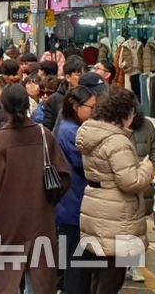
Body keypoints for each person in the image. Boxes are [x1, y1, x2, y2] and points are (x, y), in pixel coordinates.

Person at [0, 84, 71, 293]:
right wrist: (49, 200)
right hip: (41, 217)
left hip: (8, 219)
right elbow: (64, 177)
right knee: (40, 277)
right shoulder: (44, 135)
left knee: (7, 277)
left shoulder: (0, 140)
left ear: (4, 106)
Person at [76, 87, 155, 293]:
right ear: (125, 114)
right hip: (116, 214)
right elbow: (130, 181)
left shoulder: (91, 133)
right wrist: (146, 168)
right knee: (111, 279)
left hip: (95, 205)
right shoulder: (117, 140)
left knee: (98, 276)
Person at [56, 85, 98, 293]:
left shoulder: (72, 128)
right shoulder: (71, 131)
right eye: (91, 107)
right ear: (75, 106)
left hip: (73, 205)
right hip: (73, 206)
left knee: (74, 262)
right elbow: (86, 164)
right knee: (76, 263)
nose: (93, 112)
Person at [127, 110, 155, 282]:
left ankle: (133, 266)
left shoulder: (147, 126)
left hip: (144, 187)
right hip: (124, 186)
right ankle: (123, 266)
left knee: (138, 228)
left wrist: (153, 171)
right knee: (124, 227)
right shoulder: (114, 127)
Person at [43, 57, 87, 131]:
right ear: (68, 77)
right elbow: (47, 127)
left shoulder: (89, 97)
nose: (83, 78)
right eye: (79, 75)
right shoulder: (55, 99)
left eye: (84, 75)